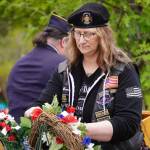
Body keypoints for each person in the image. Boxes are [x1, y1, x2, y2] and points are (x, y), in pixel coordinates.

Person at [25, 3, 143, 150]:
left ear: (103, 35)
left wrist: (76, 129)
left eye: (88, 34)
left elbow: (128, 123)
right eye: (78, 33)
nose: (81, 40)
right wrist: (33, 112)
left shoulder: (123, 70)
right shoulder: (64, 71)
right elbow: (41, 103)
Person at [7, 14, 72, 123]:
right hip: (41, 133)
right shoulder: (62, 64)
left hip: (12, 132)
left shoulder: (19, 62)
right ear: (63, 42)